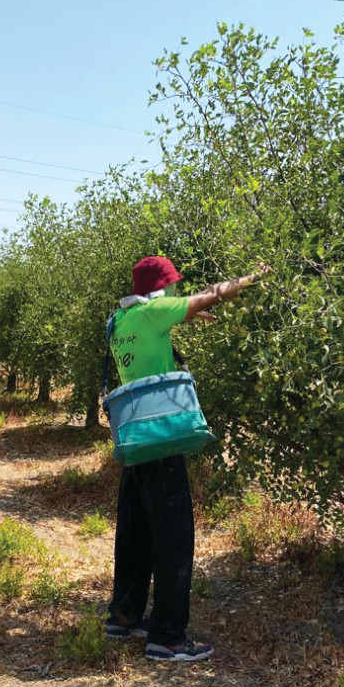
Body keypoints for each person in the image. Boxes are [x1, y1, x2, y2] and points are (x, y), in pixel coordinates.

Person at [105, 255, 268, 662]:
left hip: (135, 436)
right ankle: (168, 637)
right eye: (173, 286)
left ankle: (124, 616)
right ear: (160, 290)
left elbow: (152, 333)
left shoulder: (120, 321)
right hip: (161, 435)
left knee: (135, 531)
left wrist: (182, 318)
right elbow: (210, 295)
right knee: (174, 535)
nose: (179, 291)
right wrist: (252, 277)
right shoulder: (156, 311)